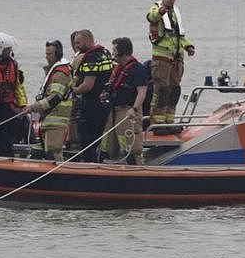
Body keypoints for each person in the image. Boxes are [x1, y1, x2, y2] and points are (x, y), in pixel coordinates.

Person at [146, 0, 194, 133]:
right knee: (162, 90)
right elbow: (151, 16)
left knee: (174, 91)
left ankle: (169, 121)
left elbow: (180, 36)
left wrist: (188, 46)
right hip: (162, 59)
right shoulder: (156, 8)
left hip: (177, 59)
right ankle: (158, 123)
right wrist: (160, 12)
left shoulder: (176, 13)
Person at [100, 37, 149, 165]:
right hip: (113, 111)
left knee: (131, 146)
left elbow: (142, 93)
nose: (113, 53)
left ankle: (137, 168)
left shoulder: (138, 70)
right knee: (108, 144)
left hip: (128, 112)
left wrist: (134, 109)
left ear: (122, 52)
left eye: (114, 50)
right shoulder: (118, 69)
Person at [22, 40, 73, 161]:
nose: (46, 57)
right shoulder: (53, 72)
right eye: (46, 54)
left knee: (53, 152)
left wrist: (33, 107)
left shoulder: (60, 74)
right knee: (39, 151)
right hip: (48, 119)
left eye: (49, 54)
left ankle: (59, 177)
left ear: (57, 54)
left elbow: (55, 97)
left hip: (56, 119)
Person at [70, 29, 114, 162]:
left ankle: (90, 165)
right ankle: (98, 161)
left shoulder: (90, 57)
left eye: (78, 43)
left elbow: (88, 85)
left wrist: (73, 90)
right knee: (98, 138)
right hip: (105, 101)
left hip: (92, 103)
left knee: (87, 140)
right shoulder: (105, 53)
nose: (76, 46)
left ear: (87, 41)